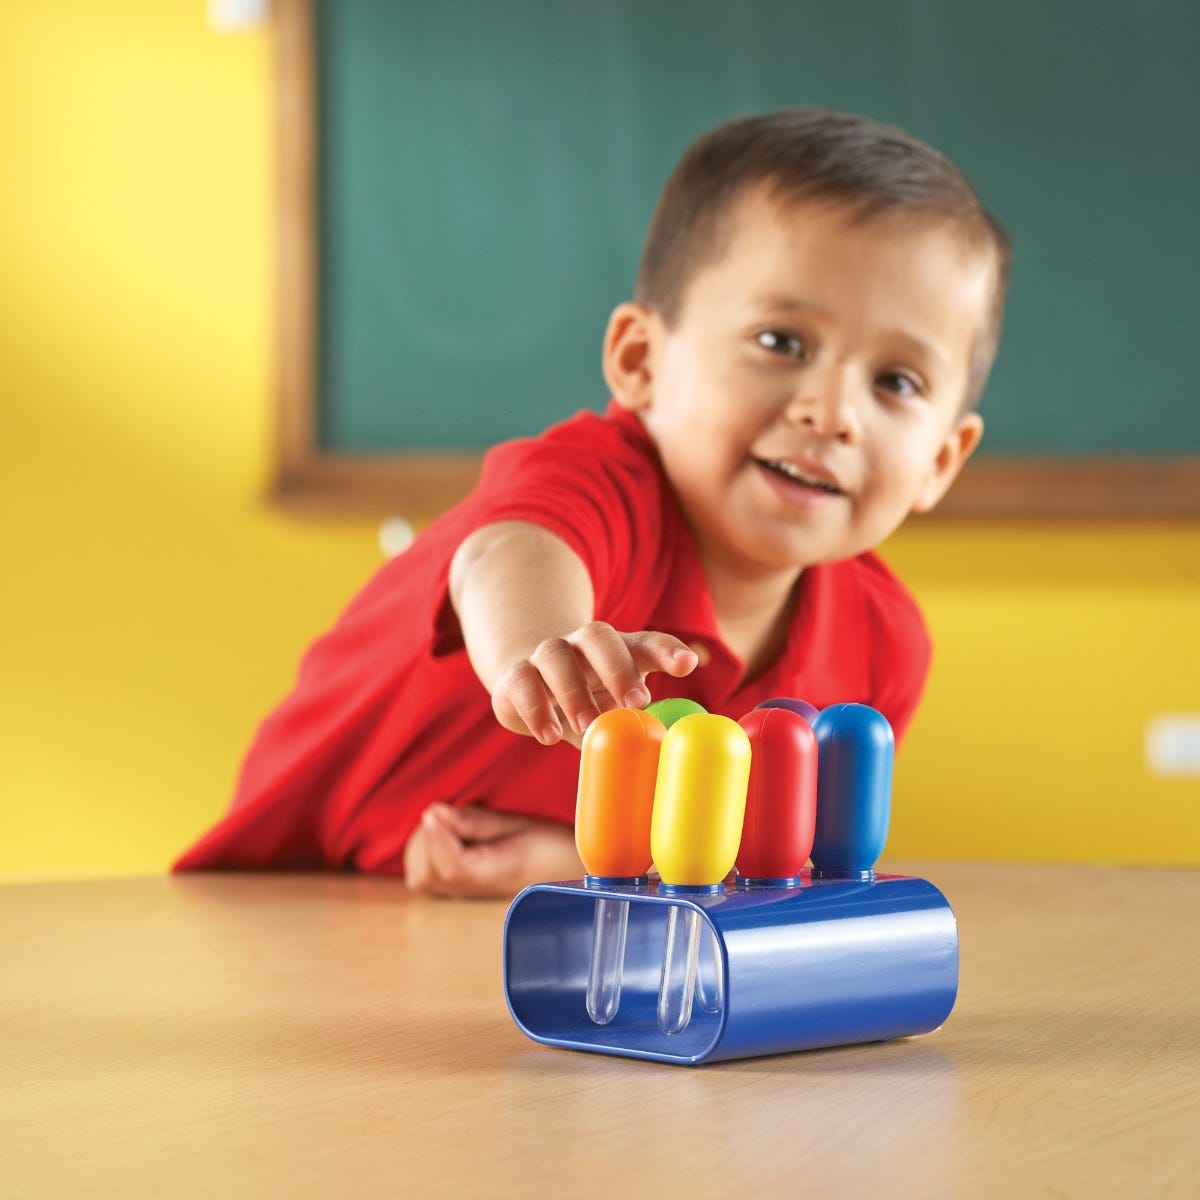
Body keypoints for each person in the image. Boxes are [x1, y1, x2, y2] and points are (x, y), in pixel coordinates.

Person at [175, 108, 1010, 897]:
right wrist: (543, 646)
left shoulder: (881, 651)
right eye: (780, 343)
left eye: (896, 382)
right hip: (291, 895)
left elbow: (748, 858)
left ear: (941, 459)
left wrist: (571, 857)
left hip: (541, 949)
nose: (830, 413)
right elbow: (511, 551)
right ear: (641, 360)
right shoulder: (600, 480)